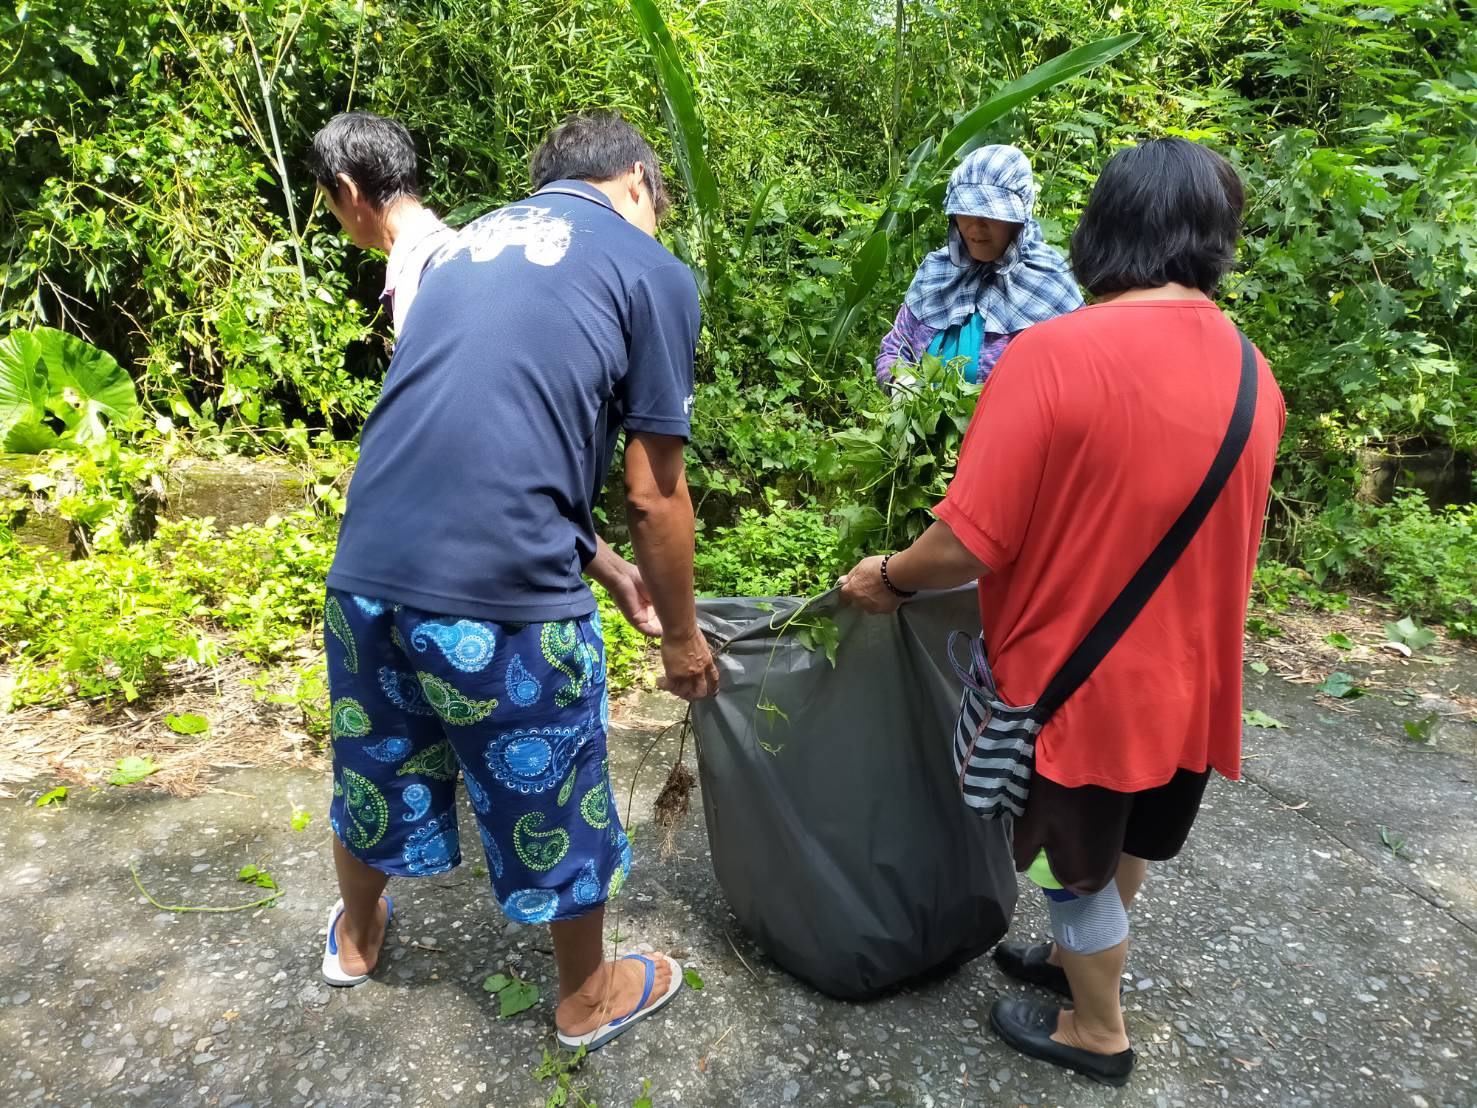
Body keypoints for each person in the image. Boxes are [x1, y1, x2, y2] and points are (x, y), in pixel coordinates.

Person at [841, 138, 1285, 1086]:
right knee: (1124, 835)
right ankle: (1069, 962)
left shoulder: (1053, 354)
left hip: (1081, 685)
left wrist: (888, 575)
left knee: (1065, 865)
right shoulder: (1255, 372)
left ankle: (1096, 1029)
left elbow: (966, 540)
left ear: (1099, 229)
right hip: (1190, 680)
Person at [316, 110, 719, 1055]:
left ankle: (359, 941)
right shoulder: (648, 267)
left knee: (375, 763)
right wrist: (680, 637)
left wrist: (603, 564)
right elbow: (654, 491)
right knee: (555, 791)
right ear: (635, 181)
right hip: (503, 604)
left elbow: (483, 437)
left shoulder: (463, 248)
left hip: (366, 574)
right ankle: (586, 999)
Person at [874, 144, 1082, 392]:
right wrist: (900, 384)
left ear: (1019, 220)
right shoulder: (935, 271)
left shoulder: (1049, 280)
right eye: (965, 211)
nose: (975, 226)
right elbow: (895, 349)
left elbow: (1077, 374)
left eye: (991, 214)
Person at [309, 111, 458, 339]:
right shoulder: (457, 249)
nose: (328, 208)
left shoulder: (418, 277)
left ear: (348, 190)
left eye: (325, 195)